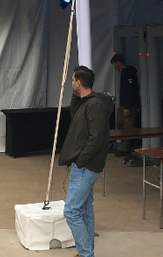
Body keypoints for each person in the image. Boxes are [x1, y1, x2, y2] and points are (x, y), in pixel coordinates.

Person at [58, 66, 114, 257]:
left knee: (71, 211)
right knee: (84, 210)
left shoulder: (95, 106)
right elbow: (74, 114)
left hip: (86, 166)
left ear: (79, 82)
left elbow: (96, 137)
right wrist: (76, 95)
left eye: (73, 80)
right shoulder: (85, 103)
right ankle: (85, 252)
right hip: (85, 165)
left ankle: (86, 254)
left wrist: (81, 161)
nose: (71, 83)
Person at [110, 54, 140, 154]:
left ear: (118, 63)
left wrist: (127, 107)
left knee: (127, 125)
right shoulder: (124, 73)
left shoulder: (128, 73)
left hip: (129, 105)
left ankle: (125, 147)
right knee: (120, 123)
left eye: (115, 64)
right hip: (124, 104)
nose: (115, 67)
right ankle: (123, 144)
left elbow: (130, 91)